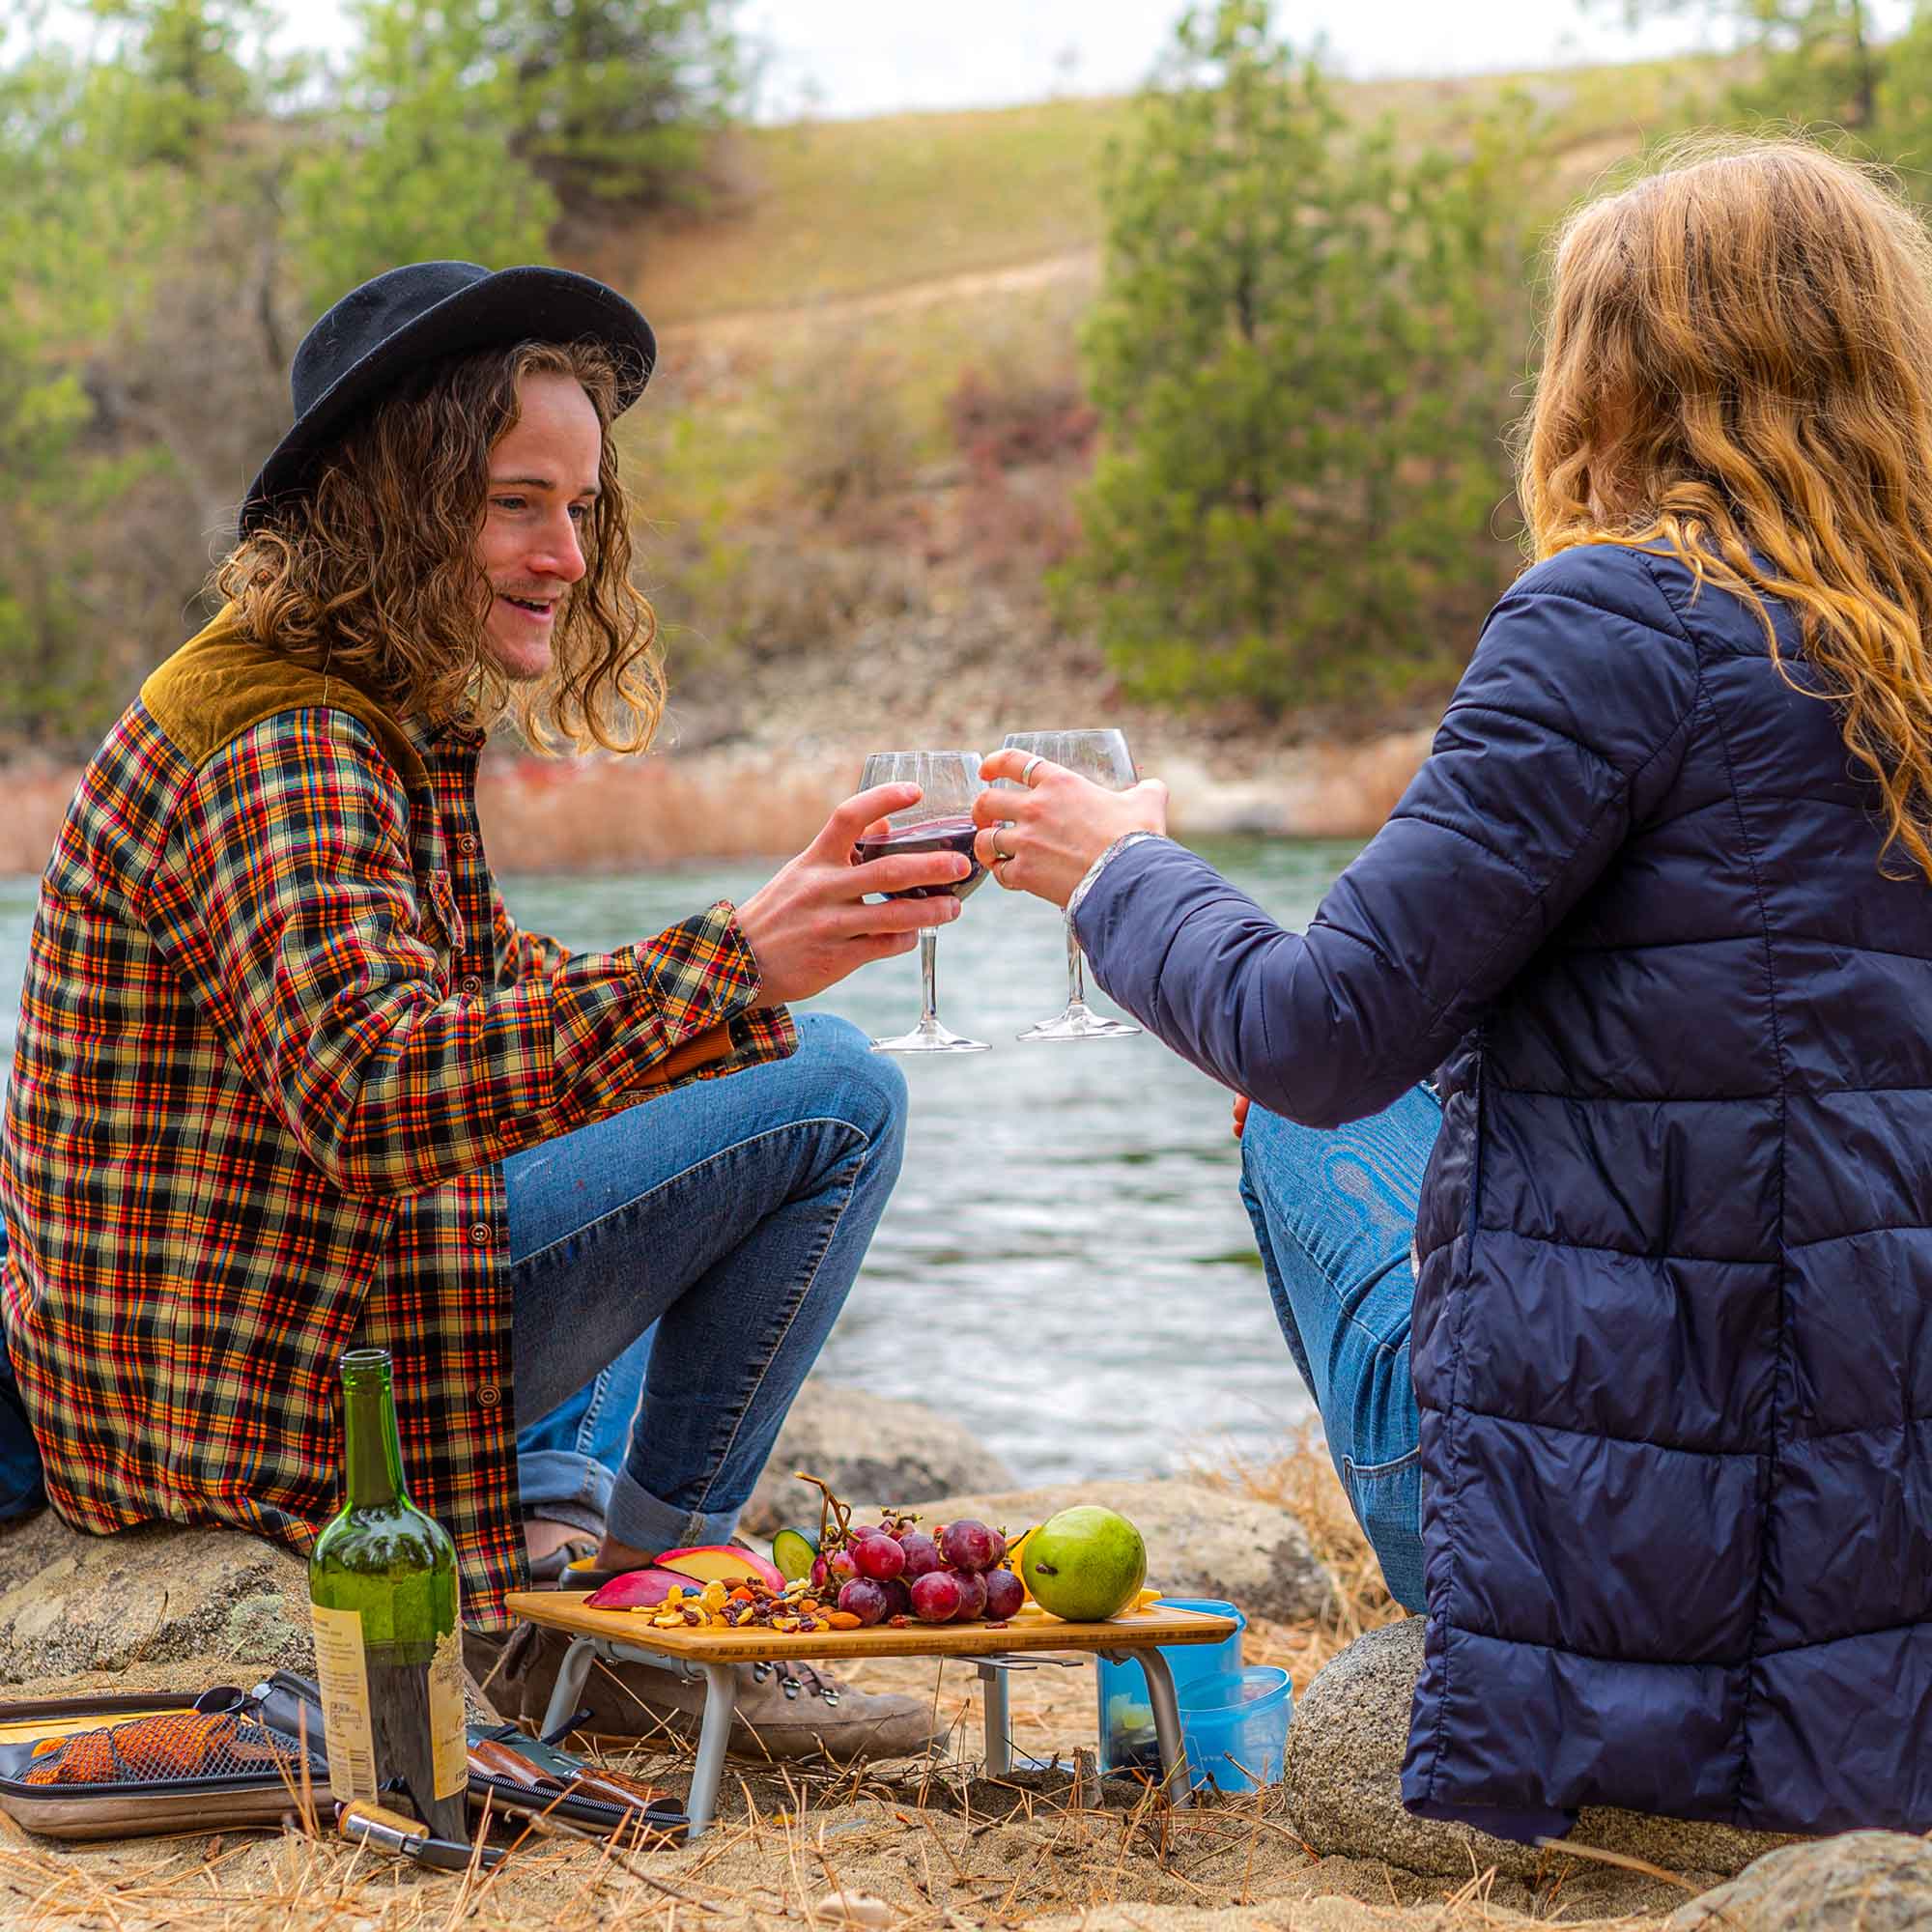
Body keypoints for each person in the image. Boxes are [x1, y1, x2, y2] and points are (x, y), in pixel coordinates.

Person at [973, 136, 1932, 1838]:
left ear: (1612, 379)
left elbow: (1323, 1031)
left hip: (1646, 1561)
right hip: (1889, 1537)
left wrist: (1120, 872)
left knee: (1291, 1108)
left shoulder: (1620, 622)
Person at [0, 261, 976, 1761]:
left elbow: (472, 1001)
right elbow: (373, 1087)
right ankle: (661, 1610)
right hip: (256, 1381)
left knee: (763, 1056)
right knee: (841, 1098)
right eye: (519, 502)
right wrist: (732, 968)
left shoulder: (364, 703)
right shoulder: (284, 737)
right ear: (393, 495)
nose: (567, 555)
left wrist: (757, 959)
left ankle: (561, 1516)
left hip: (269, 1327)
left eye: (581, 510)